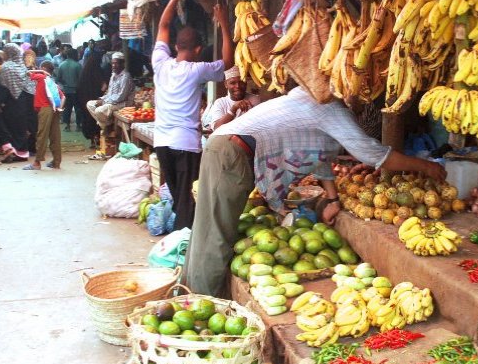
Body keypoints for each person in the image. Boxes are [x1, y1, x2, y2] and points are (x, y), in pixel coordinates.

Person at [185, 85, 447, 298]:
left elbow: (319, 156)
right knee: (216, 235)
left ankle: (190, 291)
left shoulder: (308, 98)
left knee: (209, 228)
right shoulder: (329, 108)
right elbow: (371, 153)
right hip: (231, 154)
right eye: (361, 93)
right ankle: (201, 304)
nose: (362, 101)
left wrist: (332, 198)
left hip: (227, 150)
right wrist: (425, 166)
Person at [152, 0, 234, 230]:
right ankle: (184, 245)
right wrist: (222, 22)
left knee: (179, 196)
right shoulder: (197, 70)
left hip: (162, 142)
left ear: (176, 46)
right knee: (187, 200)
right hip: (185, 144)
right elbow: (228, 61)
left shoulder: (160, 63)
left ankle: (179, 239)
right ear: (198, 49)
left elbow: (164, 24)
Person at [86, 51, 134, 158]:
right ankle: (107, 124)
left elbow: (120, 97)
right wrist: (101, 99)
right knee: (90, 104)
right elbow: (110, 93)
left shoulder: (126, 77)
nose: (113, 66)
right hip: (112, 102)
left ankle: (107, 125)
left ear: (122, 64)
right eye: (112, 63)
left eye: (116, 63)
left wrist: (103, 102)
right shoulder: (113, 76)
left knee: (99, 110)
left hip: (123, 104)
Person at [0, 43, 38, 162]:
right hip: (23, 103)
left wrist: (0, 103)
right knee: (20, 127)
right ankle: (22, 153)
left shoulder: (6, 67)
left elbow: (3, 87)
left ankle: (11, 151)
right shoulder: (22, 67)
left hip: (10, 103)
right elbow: (29, 87)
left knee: (8, 126)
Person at [25, 61, 64, 170]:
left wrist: (40, 70)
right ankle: (56, 162)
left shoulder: (41, 77)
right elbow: (63, 97)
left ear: (43, 68)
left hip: (45, 109)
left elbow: (27, 72)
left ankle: (37, 162)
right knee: (55, 136)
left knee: (42, 135)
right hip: (55, 109)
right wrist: (59, 108)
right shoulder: (51, 81)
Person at [202, 67, 260, 132]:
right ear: (226, 84)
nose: (237, 86)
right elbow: (216, 128)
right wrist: (233, 109)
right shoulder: (220, 102)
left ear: (246, 83)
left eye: (241, 82)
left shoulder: (254, 100)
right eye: (233, 83)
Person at [77, 51, 106, 148]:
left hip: (84, 100)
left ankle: (92, 140)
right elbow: (103, 87)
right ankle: (97, 138)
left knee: (87, 119)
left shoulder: (84, 71)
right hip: (95, 100)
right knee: (96, 119)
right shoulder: (98, 71)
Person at [54, 47, 82, 132]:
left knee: (67, 108)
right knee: (77, 108)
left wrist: (65, 83)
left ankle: (67, 126)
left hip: (66, 90)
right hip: (76, 90)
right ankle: (78, 126)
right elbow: (81, 79)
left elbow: (58, 79)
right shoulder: (77, 65)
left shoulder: (62, 65)